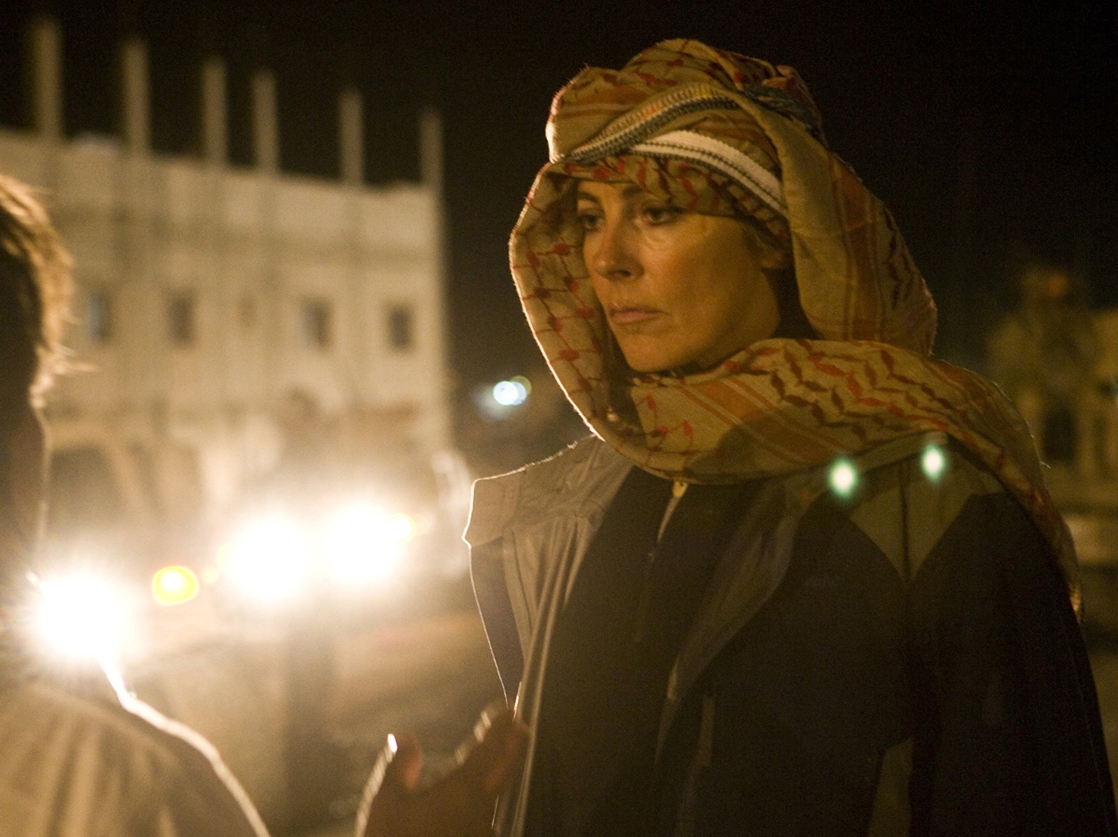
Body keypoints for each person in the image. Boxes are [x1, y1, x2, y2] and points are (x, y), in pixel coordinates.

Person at [466, 40, 1118, 835]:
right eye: (590, 219)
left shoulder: (935, 504)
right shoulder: (581, 505)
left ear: (774, 233)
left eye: (658, 213)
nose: (608, 259)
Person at [0, 172, 525, 837]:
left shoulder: (324, 464)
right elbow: (256, 506)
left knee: (316, 659)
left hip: (318, 584)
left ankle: (315, 729)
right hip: (295, 586)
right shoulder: (125, 781)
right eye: (35, 401)